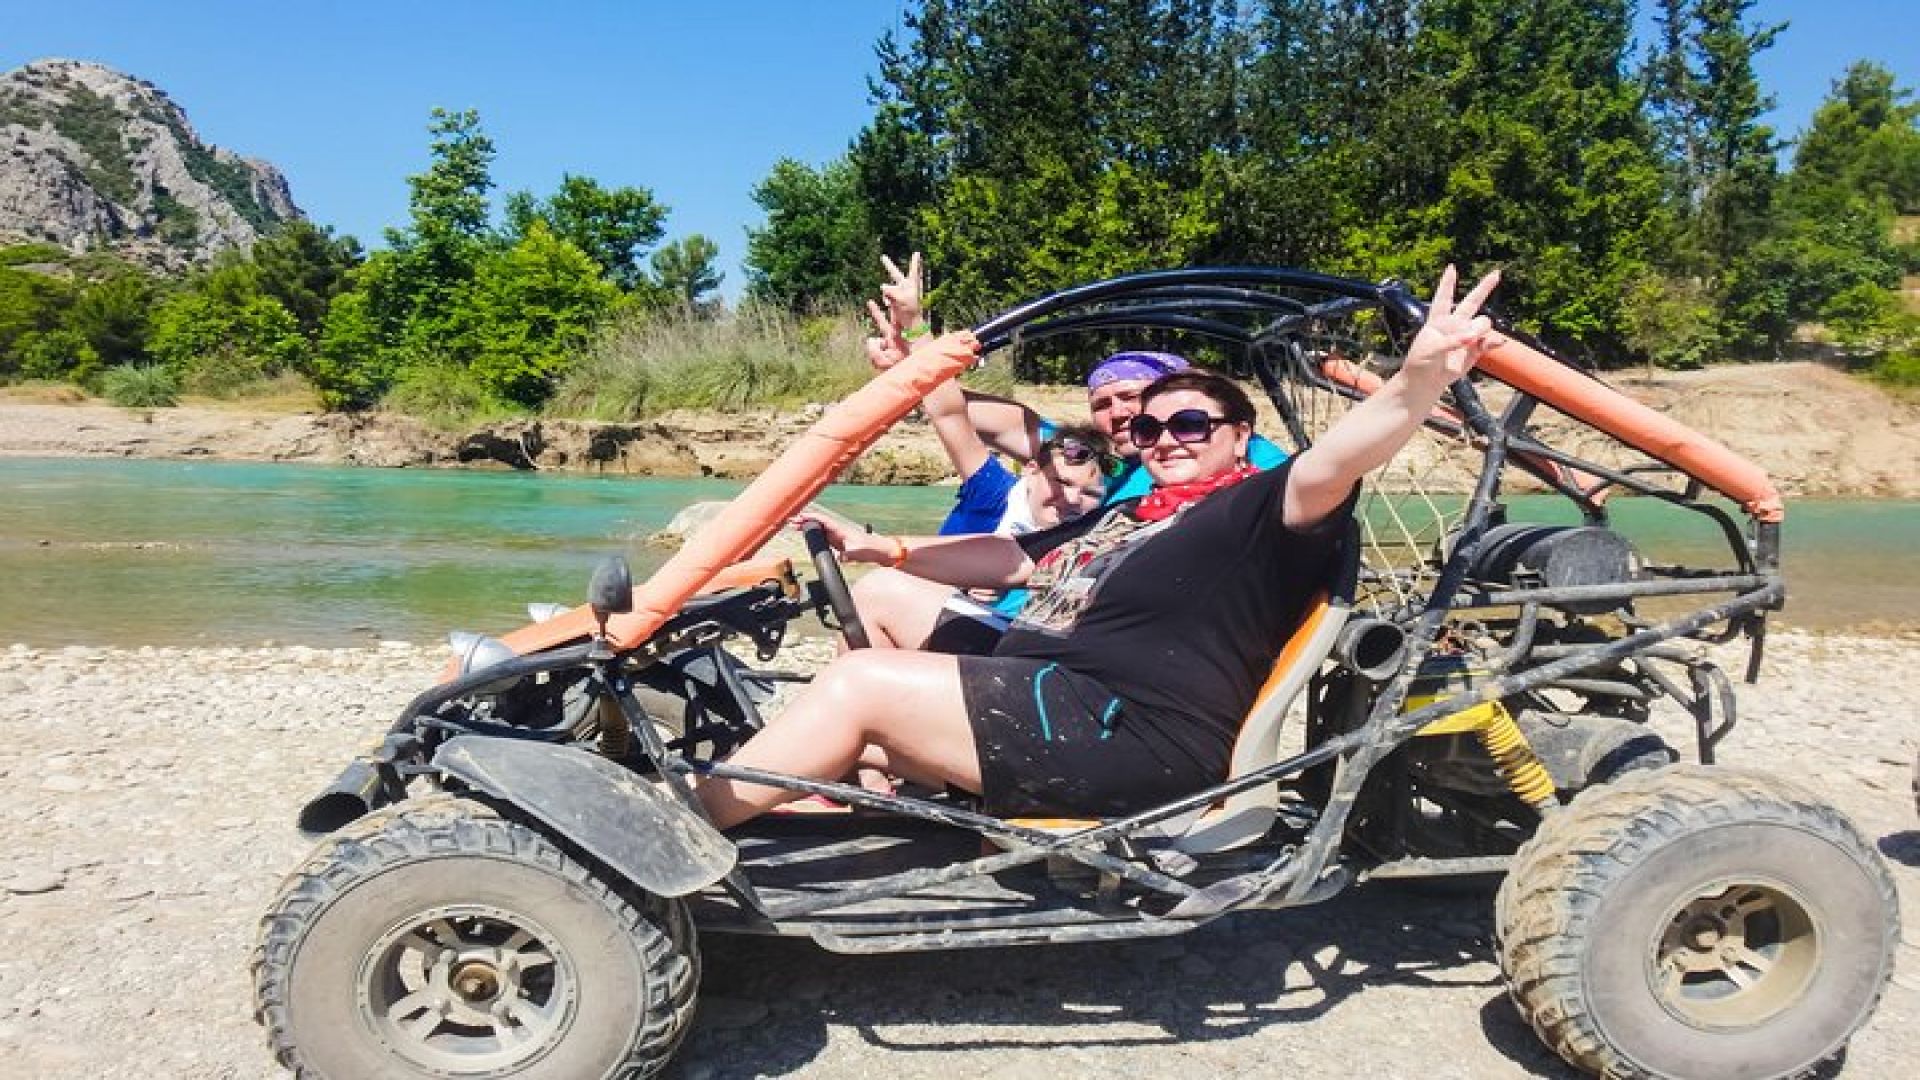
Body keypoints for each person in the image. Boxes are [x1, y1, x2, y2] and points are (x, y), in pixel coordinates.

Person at [693, 266, 1505, 829]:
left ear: (1239, 435)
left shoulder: (1258, 509)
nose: (1165, 438)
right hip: (1054, 689)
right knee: (882, 600)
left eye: (1191, 423)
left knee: (859, 683)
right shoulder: (1136, 510)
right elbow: (1016, 560)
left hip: (1132, 732)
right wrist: (882, 547)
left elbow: (1338, 458)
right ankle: (843, 778)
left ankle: (694, 822)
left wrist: (1417, 381)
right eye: (1149, 428)